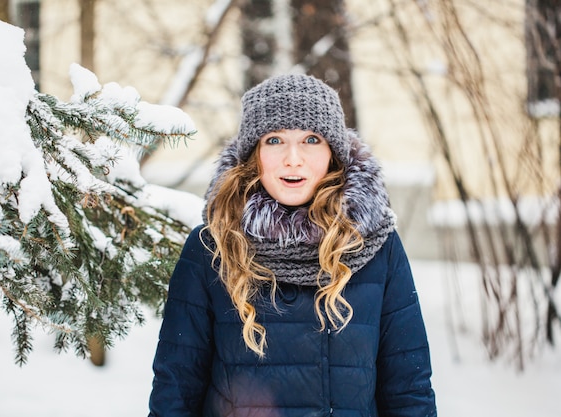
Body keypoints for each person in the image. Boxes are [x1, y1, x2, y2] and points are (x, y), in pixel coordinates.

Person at [148, 74, 437, 417]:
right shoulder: (211, 248)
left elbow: (409, 390)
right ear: (253, 153)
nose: (293, 158)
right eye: (274, 140)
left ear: (333, 153)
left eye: (311, 139)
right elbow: (175, 393)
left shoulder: (376, 245)